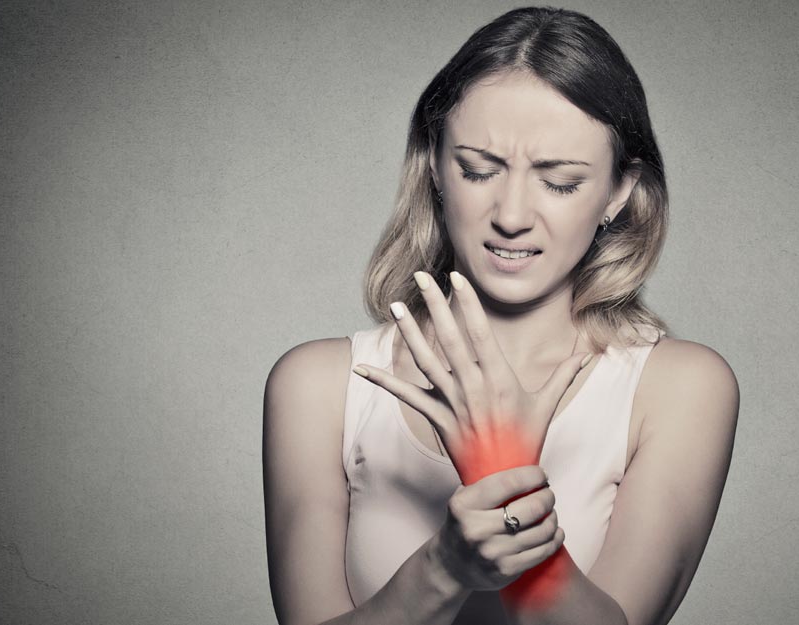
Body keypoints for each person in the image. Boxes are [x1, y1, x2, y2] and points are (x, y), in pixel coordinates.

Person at [262, 7, 739, 625]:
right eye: (479, 169)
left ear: (619, 192)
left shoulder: (679, 389)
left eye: (560, 182)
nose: (511, 214)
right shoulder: (319, 386)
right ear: (434, 166)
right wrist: (446, 567)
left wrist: (507, 479)